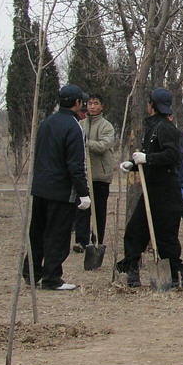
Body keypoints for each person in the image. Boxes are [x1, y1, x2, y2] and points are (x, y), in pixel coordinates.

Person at [115, 88, 183, 288]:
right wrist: (134, 164)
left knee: (165, 235)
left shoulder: (166, 128)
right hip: (150, 189)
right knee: (135, 231)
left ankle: (172, 276)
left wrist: (147, 158)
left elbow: (172, 156)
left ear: (152, 105)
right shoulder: (152, 127)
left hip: (166, 189)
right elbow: (150, 154)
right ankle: (132, 270)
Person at [23, 84, 90, 291]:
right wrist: (83, 193)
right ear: (77, 103)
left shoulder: (46, 123)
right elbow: (75, 164)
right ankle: (52, 278)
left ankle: (31, 274)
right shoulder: (73, 127)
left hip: (41, 187)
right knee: (58, 234)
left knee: (38, 232)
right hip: (61, 190)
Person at [73, 94, 116, 251]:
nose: (92, 106)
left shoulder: (107, 126)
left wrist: (86, 143)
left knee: (99, 210)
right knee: (83, 208)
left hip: (100, 176)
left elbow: (103, 146)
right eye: (89, 103)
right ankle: (81, 241)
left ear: (101, 106)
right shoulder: (80, 124)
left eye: (95, 103)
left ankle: (97, 239)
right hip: (84, 175)